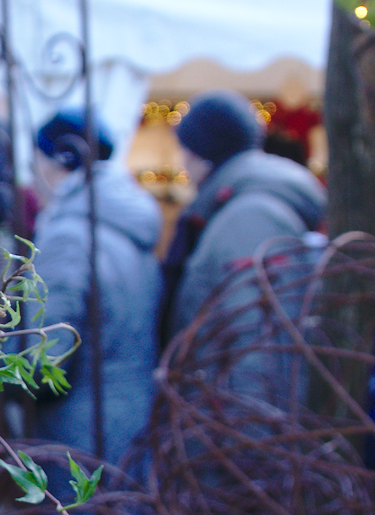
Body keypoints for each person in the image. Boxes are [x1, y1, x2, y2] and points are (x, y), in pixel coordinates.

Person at [161, 89, 328, 415]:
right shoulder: (237, 208)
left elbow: (256, 345)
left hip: (235, 429)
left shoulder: (249, 218)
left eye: (186, 150)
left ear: (204, 153)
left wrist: (247, 443)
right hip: (225, 416)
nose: (182, 163)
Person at [21, 107, 162, 481]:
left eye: (35, 161)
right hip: (133, 418)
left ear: (57, 161)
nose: (32, 176)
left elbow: (44, 365)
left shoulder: (68, 237)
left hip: (78, 436)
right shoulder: (128, 224)